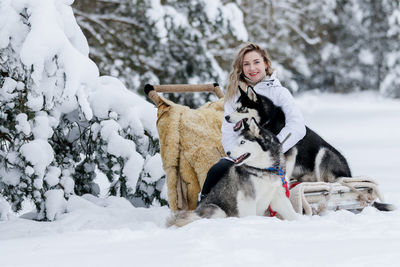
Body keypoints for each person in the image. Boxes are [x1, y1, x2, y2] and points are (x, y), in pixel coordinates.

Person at [199, 43, 306, 200]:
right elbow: (228, 133)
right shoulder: (234, 97)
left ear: (265, 63)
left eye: (256, 62)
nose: (252, 68)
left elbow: (297, 126)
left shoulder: (279, 93)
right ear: (241, 68)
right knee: (218, 169)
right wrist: (239, 156)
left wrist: (274, 150)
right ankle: (203, 207)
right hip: (245, 155)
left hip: (274, 156)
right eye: (246, 64)